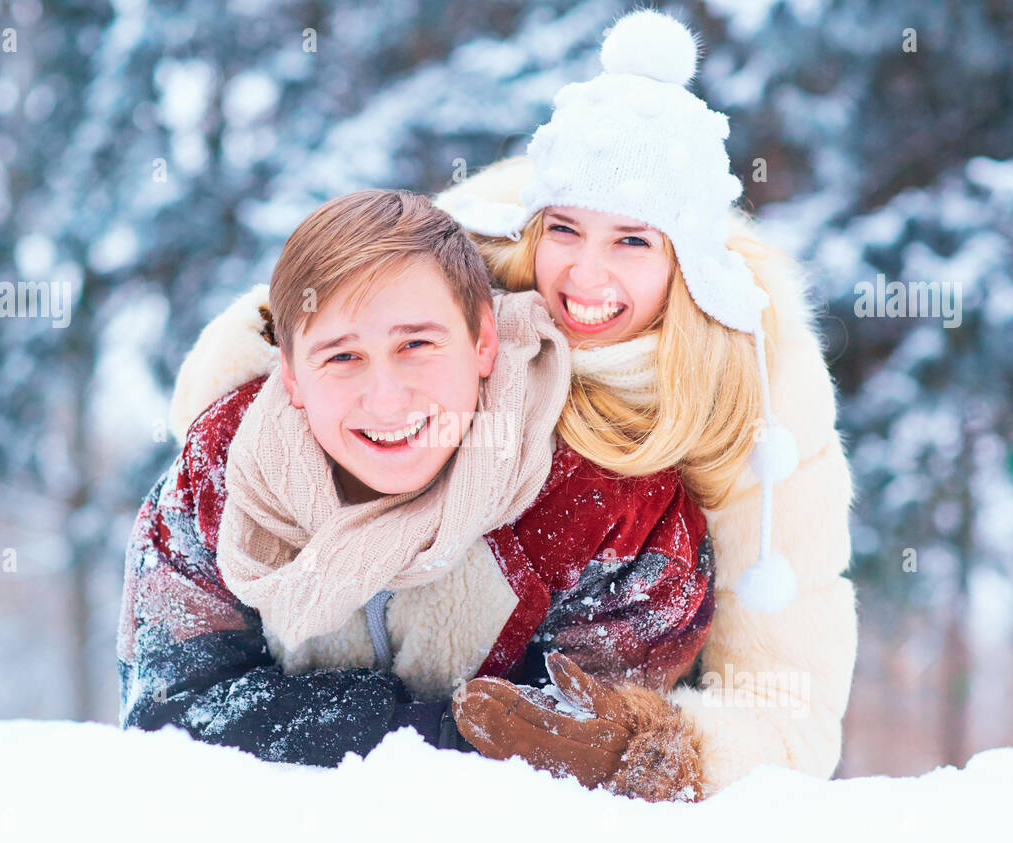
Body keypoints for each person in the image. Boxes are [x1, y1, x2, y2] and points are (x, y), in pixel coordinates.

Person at [120, 188, 716, 800]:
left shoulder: (605, 502)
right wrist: (433, 734)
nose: (387, 399)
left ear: (484, 341)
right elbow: (167, 716)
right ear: (292, 377)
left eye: (416, 345)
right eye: (343, 356)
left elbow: (624, 753)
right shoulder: (220, 477)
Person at [434, 9, 859, 798]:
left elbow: (788, 706)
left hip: (601, 717)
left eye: (632, 242)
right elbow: (274, 357)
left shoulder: (759, 382)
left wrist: (647, 750)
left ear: (687, 260)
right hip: (406, 684)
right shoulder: (456, 279)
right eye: (565, 230)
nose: (585, 279)